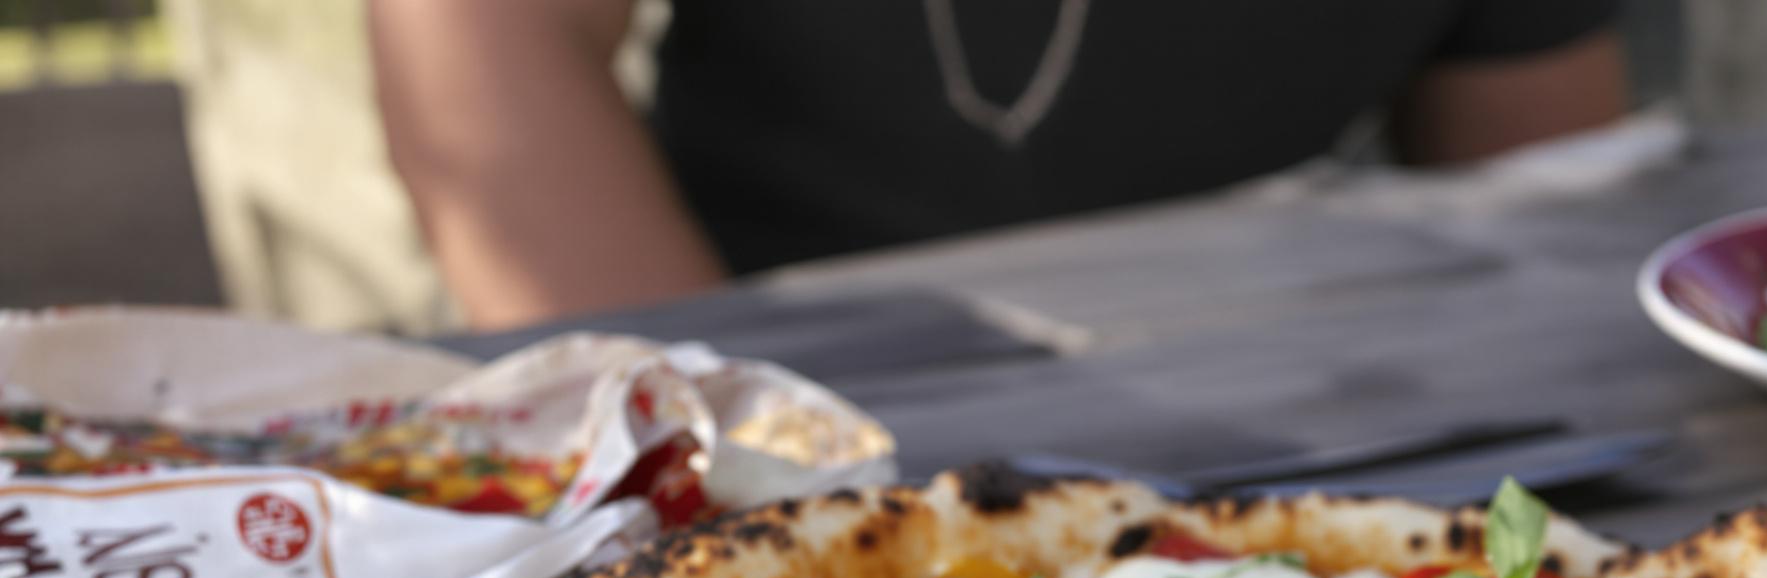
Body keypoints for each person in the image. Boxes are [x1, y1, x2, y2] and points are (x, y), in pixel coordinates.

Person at [370, 0, 1629, 329]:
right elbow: (482, 57)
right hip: (756, 354)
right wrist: (704, 444)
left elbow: (1539, 189)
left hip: (1280, 370)